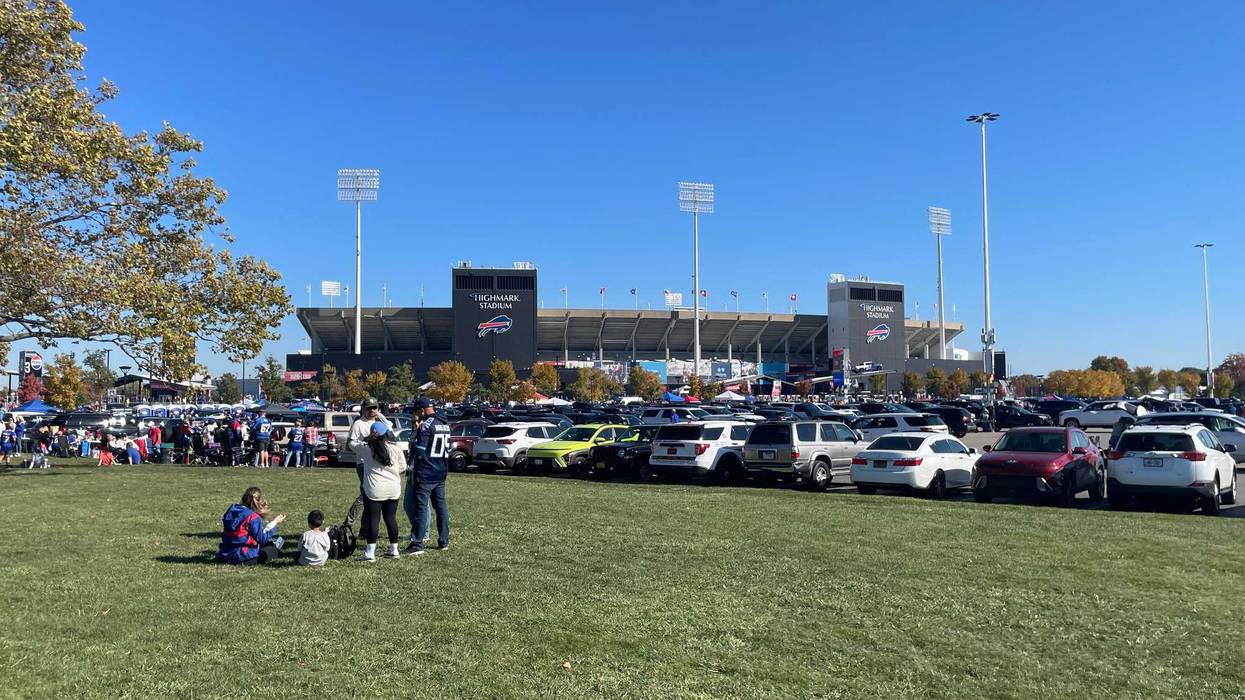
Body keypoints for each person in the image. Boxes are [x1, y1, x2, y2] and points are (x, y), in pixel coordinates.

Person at [354, 418, 406, 561]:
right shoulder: (396, 448)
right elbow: (403, 467)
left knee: (373, 519)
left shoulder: (367, 450)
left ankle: (370, 552)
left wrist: (366, 438)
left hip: (374, 489)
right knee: (391, 518)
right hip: (393, 488)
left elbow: (351, 444)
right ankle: (394, 549)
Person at [406, 397, 451, 556]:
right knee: (441, 507)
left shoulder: (426, 425)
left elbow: (419, 449)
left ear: (422, 409)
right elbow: (448, 449)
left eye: (418, 411)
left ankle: (417, 544)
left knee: (420, 508)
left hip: (426, 471)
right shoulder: (445, 424)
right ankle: (444, 540)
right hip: (441, 471)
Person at [345, 397, 391, 527]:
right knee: (366, 494)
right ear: (363, 409)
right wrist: (367, 439)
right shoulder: (359, 424)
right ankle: (348, 523)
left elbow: (390, 435)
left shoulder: (380, 422)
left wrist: (381, 416)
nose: (372, 411)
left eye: (374, 408)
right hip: (363, 463)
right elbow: (349, 445)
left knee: (371, 496)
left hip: (378, 462)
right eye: (369, 408)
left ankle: (365, 529)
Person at [217, 486, 286, 565]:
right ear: (257, 501)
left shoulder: (231, 509)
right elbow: (262, 539)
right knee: (273, 550)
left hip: (225, 554)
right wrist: (275, 522)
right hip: (242, 556)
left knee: (269, 544)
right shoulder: (252, 516)